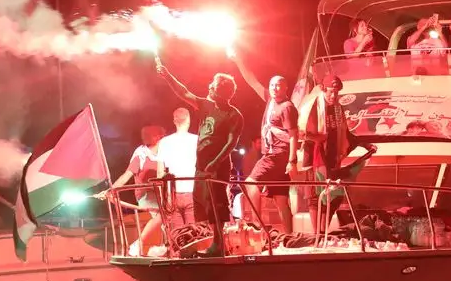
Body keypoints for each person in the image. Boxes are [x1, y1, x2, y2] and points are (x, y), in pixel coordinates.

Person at [155, 60, 243, 257]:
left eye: (213, 85)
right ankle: (210, 242)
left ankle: (219, 245)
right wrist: (167, 76)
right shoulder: (205, 105)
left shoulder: (233, 115)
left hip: (217, 169)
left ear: (222, 91)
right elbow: (184, 92)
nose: (209, 86)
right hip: (201, 167)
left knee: (217, 205)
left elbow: (231, 143)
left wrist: (215, 163)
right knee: (202, 205)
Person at [229, 52, 300, 233]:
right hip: (277, 156)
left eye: (279, 85)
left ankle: (257, 224)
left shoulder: (287, 107)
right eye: (272, 85)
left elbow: (294, 135)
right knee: (281, 199)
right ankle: (289, 236)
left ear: (286, 88)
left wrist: (292, 161)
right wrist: (239, 60)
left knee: (250, 182)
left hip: (277, 154)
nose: (275, 88)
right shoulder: (270, 99)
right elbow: (252, 81)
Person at [298, 75, 377, 230]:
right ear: (323, 89)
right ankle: (317, 235)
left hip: (332, 158)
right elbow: (300, 132)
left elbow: (345, 133)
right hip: (314, 157)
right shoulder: (312, 105)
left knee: (333, 195)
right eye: (330, 92)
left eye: (336, 92)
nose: (333, 96)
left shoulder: (338, 108)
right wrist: (317, 138)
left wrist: (365, 144)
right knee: (315, 196)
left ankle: (323, 232)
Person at [98, 125, 166, 256]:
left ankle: (166, 247)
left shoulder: (165, 153)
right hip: (146, 194)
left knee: (169, 218)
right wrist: (111, 190)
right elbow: (126, 175)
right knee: (162, 215)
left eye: (147, 134)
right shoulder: (140, 154)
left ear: (159, 137)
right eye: (143, 134)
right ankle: (137, 244)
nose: (144, 137)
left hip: (163, 194)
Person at [156, 107, 198, 235]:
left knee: (177, 236)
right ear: (189, 120)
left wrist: (163, 199)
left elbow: (160, 173)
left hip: (172, 195)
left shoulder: (164, 142)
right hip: (193, 192)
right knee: (195, 235)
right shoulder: (197, 140)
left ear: (174, 121)